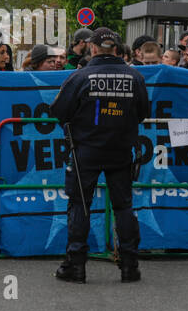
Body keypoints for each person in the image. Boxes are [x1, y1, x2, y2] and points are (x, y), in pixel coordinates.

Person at [49, 28, 150, 284]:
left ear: (93, 48)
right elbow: (143, 113)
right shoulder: (134, 76)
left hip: (86, 151)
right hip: (121, 151)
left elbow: (58, 110)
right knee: (124, 206)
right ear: (116, 49)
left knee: (80, 205)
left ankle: (76, 265)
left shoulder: (80, 76)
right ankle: (130, 266)